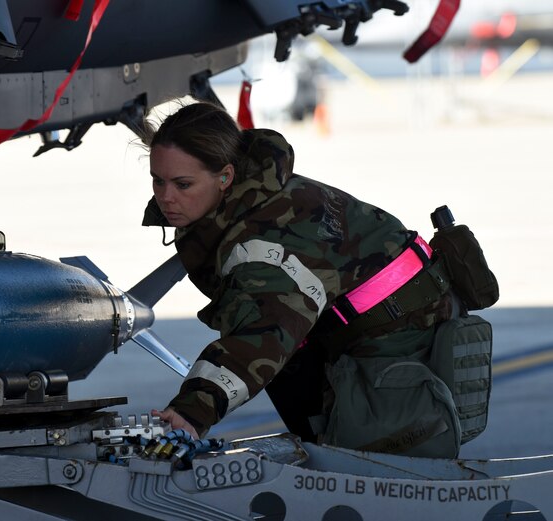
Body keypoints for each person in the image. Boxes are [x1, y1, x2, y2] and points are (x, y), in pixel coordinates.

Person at [142, 101, 470, 458]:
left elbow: (259, 338)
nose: (165, 197)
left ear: (225, 177)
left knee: (370, 459)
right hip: (399, 312)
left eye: (182, 184)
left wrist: (193, 412)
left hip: (400, 335)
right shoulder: (259, 185)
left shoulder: (264, 244)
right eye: (158, 181)